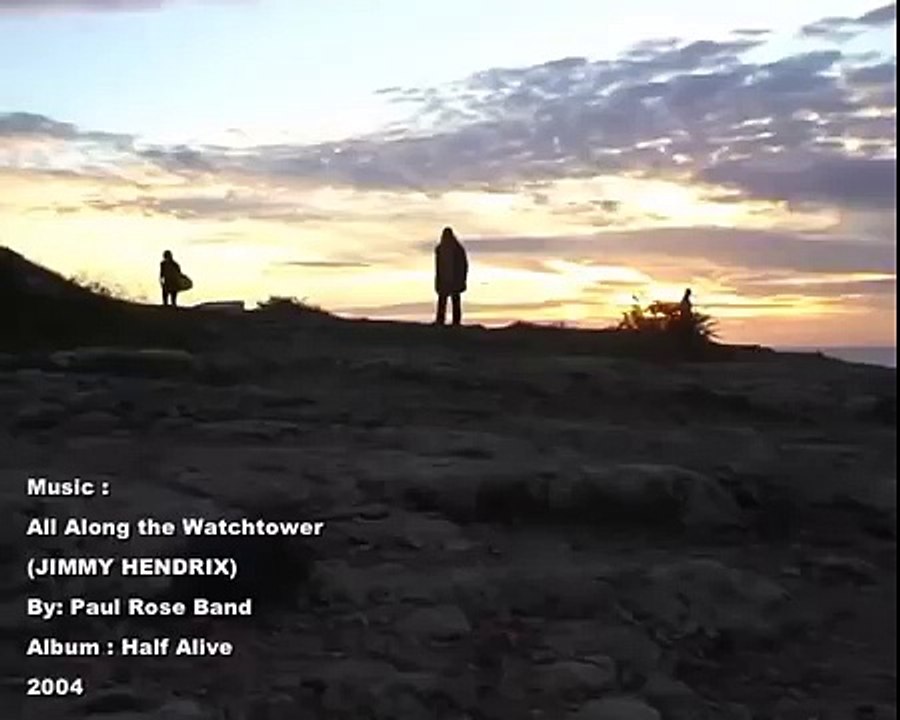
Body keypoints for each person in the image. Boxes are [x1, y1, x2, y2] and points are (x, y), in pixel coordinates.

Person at [434, 227, 468, 326]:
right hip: (444, 279)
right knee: (443, 301)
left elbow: (463, 265)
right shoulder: (440, 249)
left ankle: (455, 322)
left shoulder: (457, 249)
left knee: (454, 300)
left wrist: (462, 279)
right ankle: (441, 320)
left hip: (454, 279)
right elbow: (438, 267)